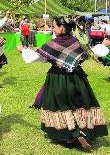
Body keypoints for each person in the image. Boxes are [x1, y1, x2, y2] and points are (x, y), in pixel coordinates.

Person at [17, 17, 108, 152]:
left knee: (60, 106)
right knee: (79, 104)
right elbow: (92, 51)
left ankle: (70, 137)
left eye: (54, 26)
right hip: (77, 78)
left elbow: (36, 57)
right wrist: (104, 45)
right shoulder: (77, 42)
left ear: (62, 28)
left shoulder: (53, 44)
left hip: (58, 79)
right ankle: (83, 131)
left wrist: (23, 49)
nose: (53, 29)